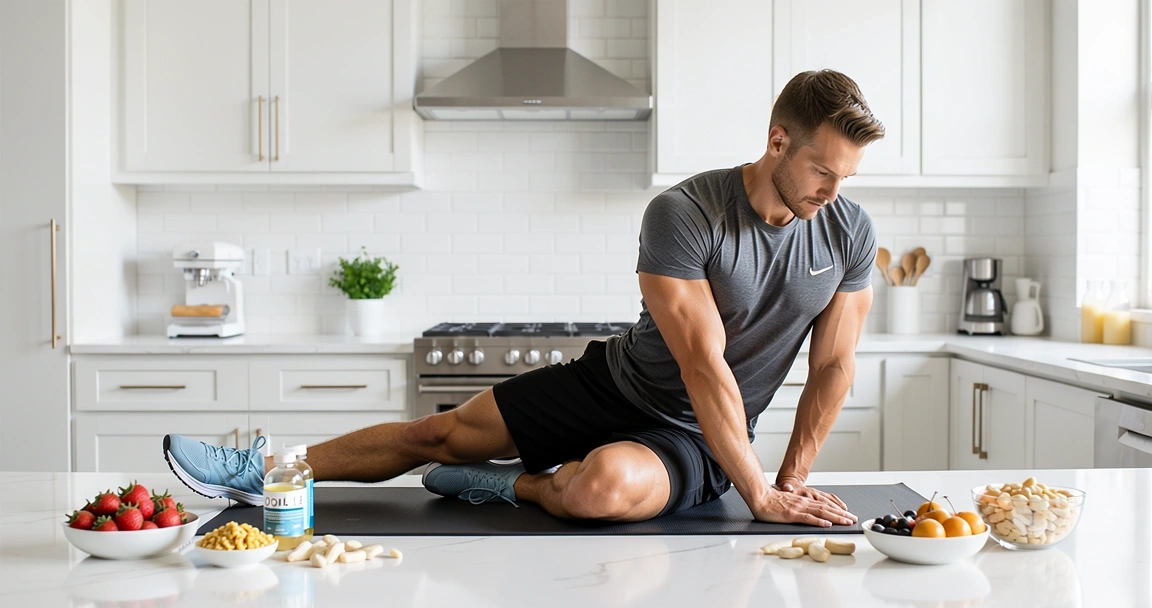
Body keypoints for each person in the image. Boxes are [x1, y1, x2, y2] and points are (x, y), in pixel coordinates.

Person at [163, 69, 884, 527]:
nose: (832, 190)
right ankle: (263, 470)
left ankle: (517, 487)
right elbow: (703, 359)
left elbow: (832, 368)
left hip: (696, 433)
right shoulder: (686, 212)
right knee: (433, 434)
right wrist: (757, 498)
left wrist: (786, 482)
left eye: (845, 177)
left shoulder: (847, 232)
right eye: (823, 170)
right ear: (778, 141)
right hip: (614, 384)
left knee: (598, 492)